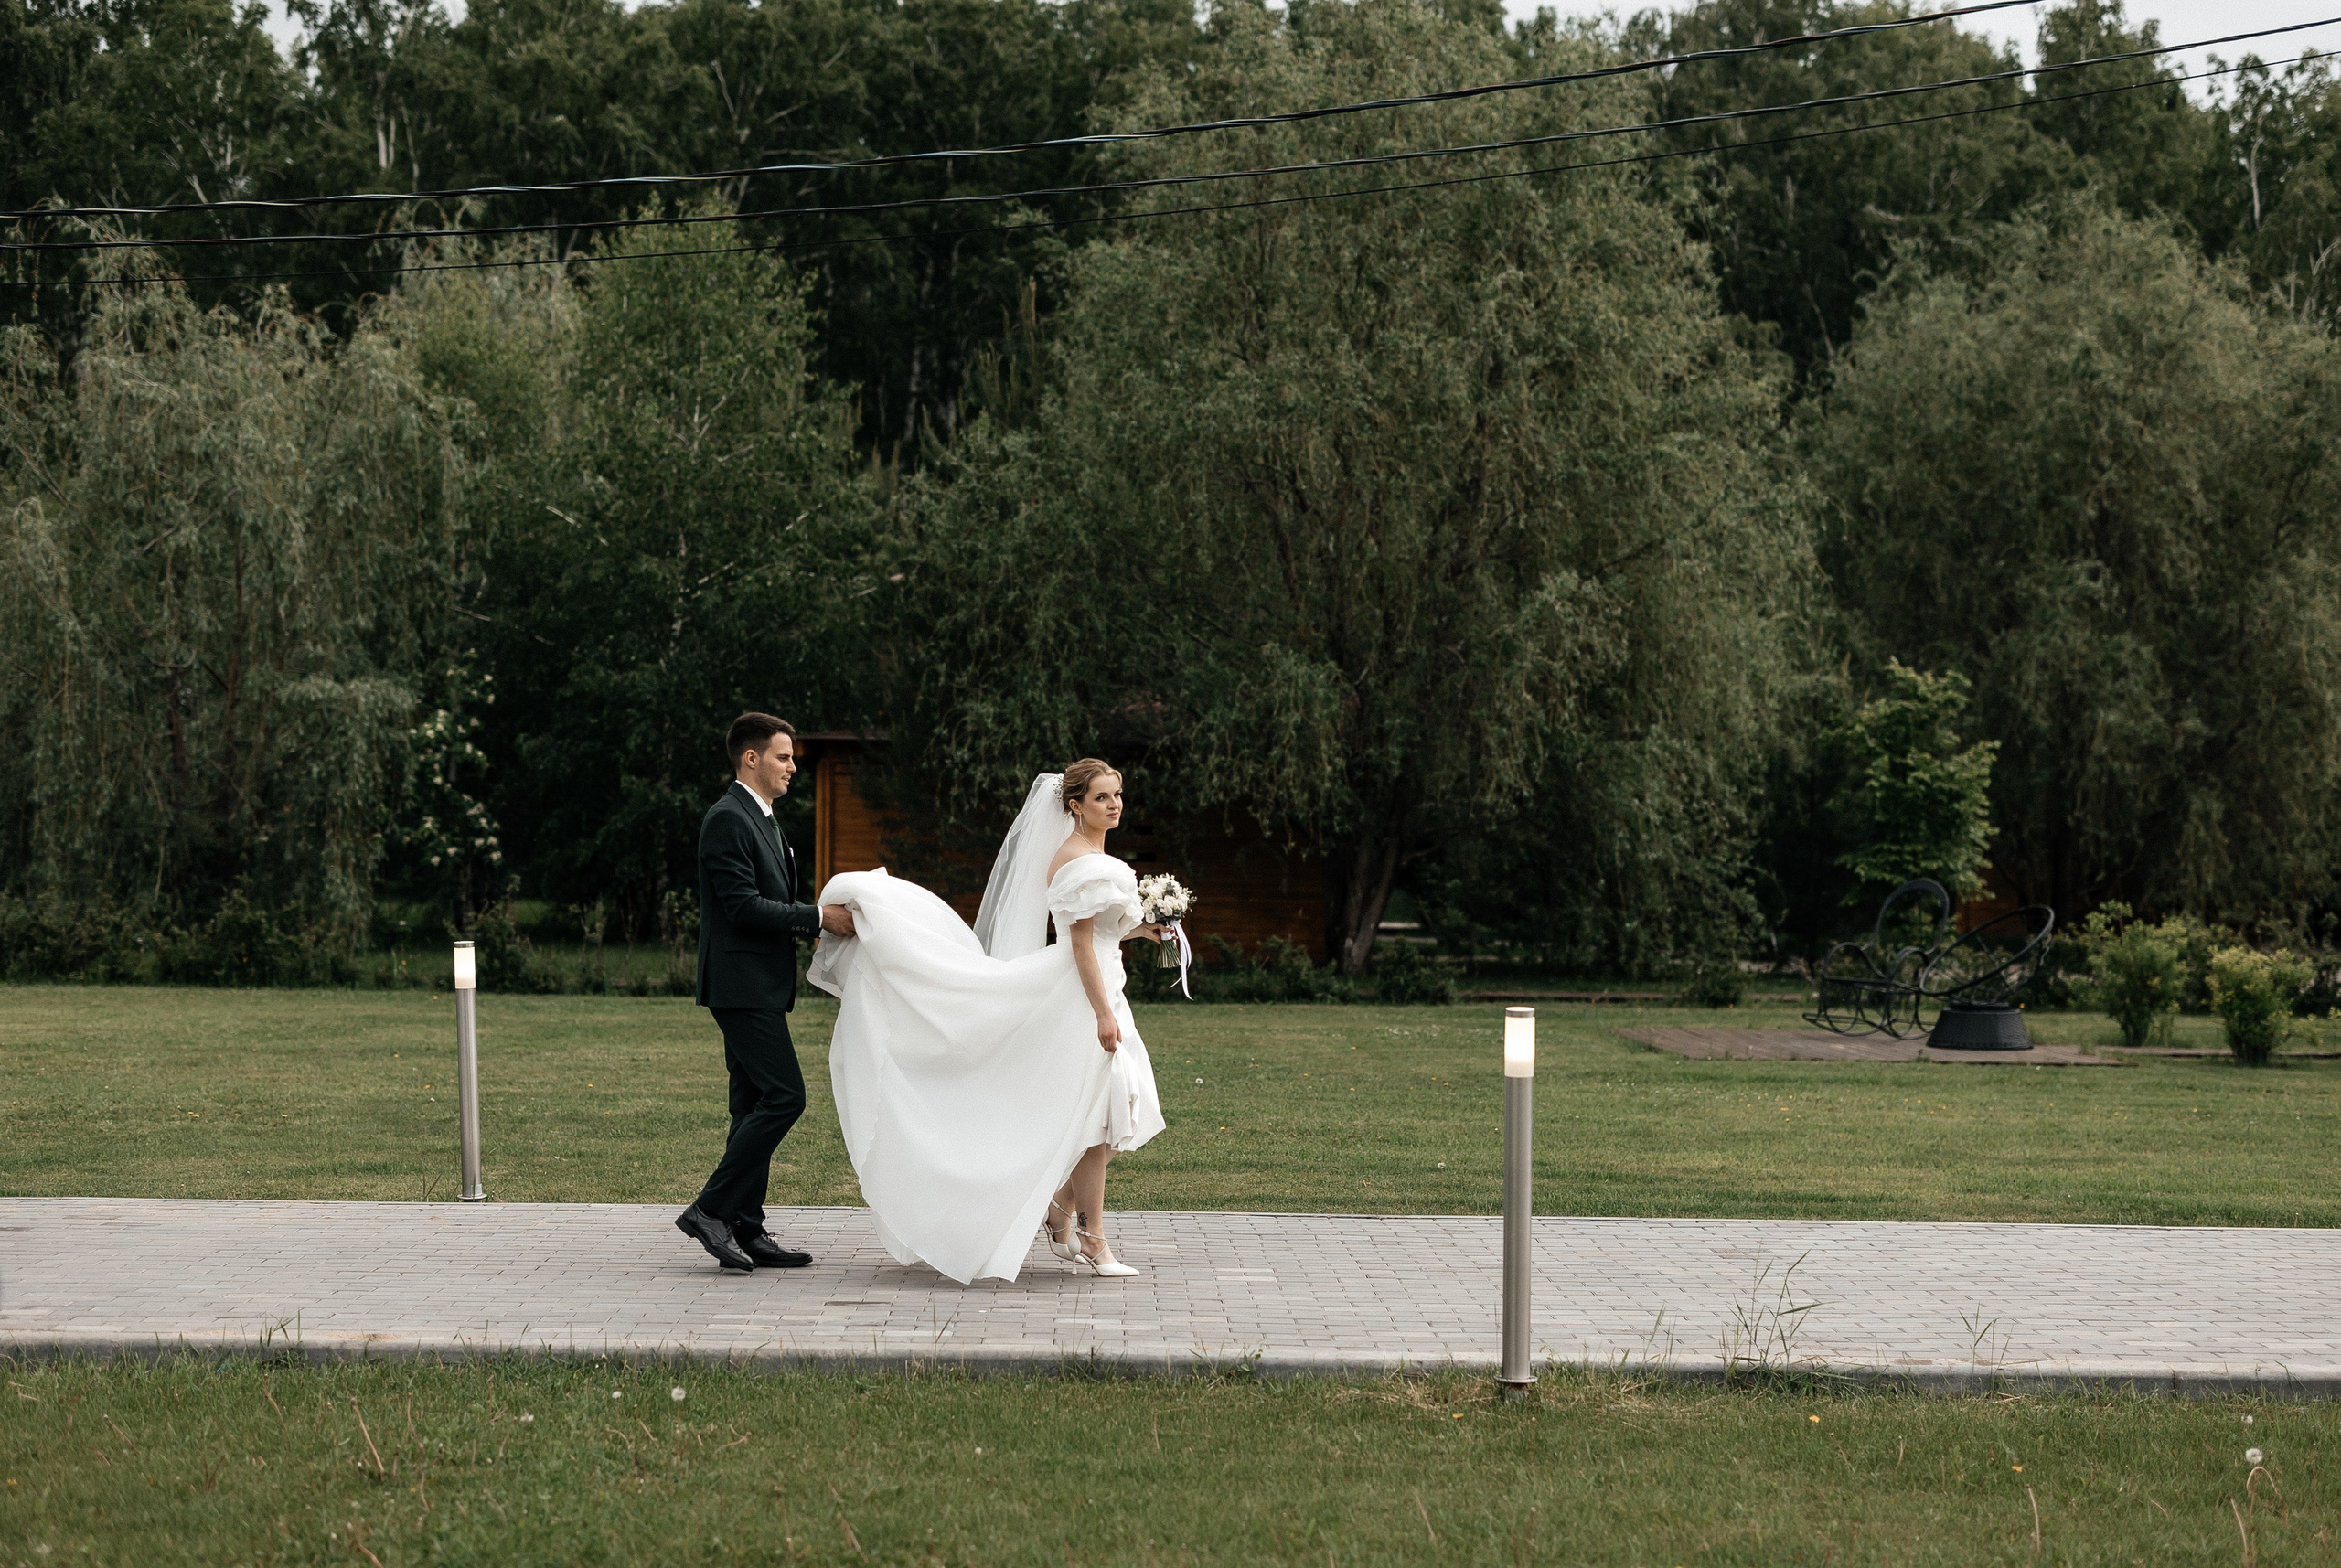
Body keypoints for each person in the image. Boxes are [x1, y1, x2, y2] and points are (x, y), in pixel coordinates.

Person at [807, 759, 1170, 1284]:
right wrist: (1101, 1014)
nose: (1113, 805)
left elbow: (1106, 931)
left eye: (1117, 795)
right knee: (1101, 1121)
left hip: (1102, 988)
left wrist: (1147, 930)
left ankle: (1061, 1213)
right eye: (1100, 798)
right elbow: (1080, 944)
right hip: (1083, 996)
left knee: (1106, 1121)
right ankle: (1094, 1239)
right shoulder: (1076, 857)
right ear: (1074, 805)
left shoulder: (1095, 852)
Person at [674, 712, 857, 1275]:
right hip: (739, 983)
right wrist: (819, 918)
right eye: (783, 756)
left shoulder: (765, 819)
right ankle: (709, 1209)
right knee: (785, 1097)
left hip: (759, 984)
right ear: (750, 759)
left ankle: (746, 1229)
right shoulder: (727, 819)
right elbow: (742, 906)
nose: (793, 766)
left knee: (751, 1104)